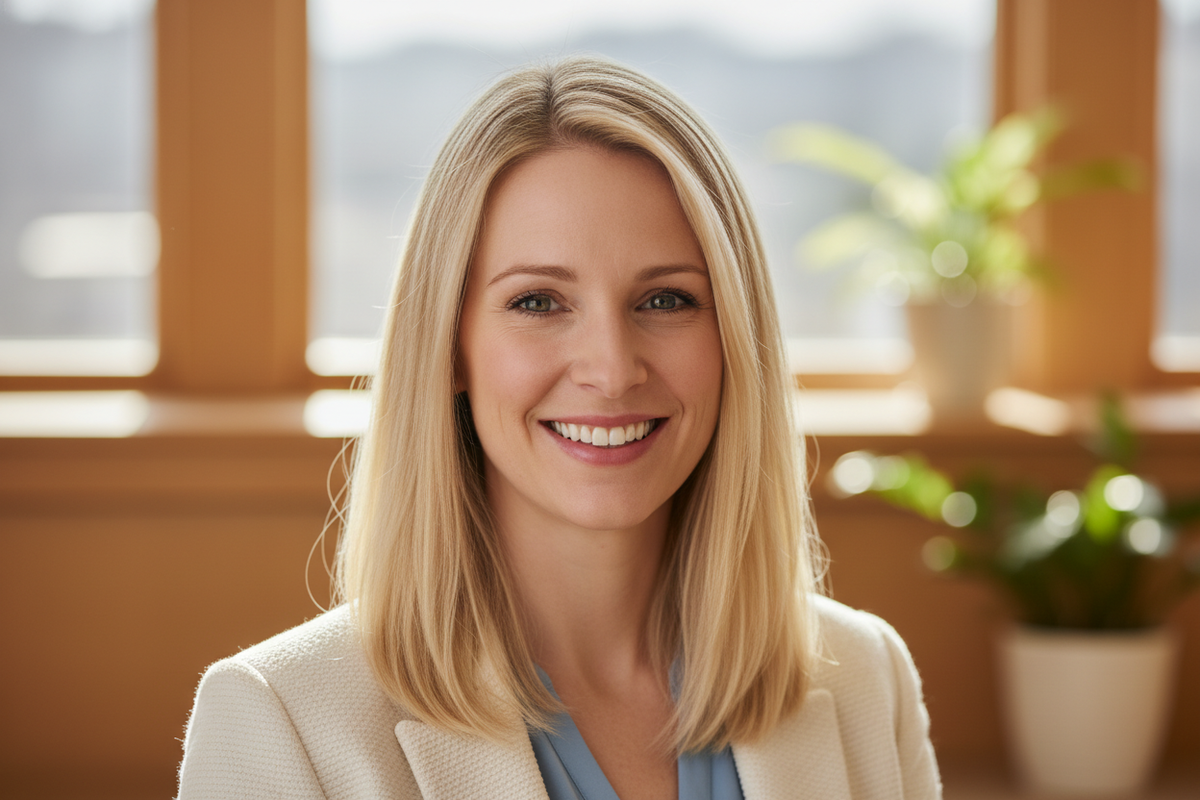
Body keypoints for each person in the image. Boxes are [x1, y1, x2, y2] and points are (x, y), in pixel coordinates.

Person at [177, 56, 941, 800]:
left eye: (667, 300)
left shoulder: (869, 678)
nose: (611, 370)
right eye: (539, 302)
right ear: (448, 348)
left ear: (737, 341)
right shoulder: (280, 720)